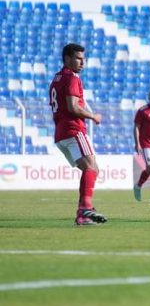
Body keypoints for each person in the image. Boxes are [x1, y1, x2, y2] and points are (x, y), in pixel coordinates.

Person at [48, 43, 107, 226]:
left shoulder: (57, 79)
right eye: (78, 58)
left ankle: (84, 212)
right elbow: (73, 107)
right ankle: (84, 210)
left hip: (61, 133)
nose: (82, 63)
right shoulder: (72, 78)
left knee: (91, 168)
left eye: (83, 59)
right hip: (74, 129)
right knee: (91, 167)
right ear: (67, 59)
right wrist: (93, 116)